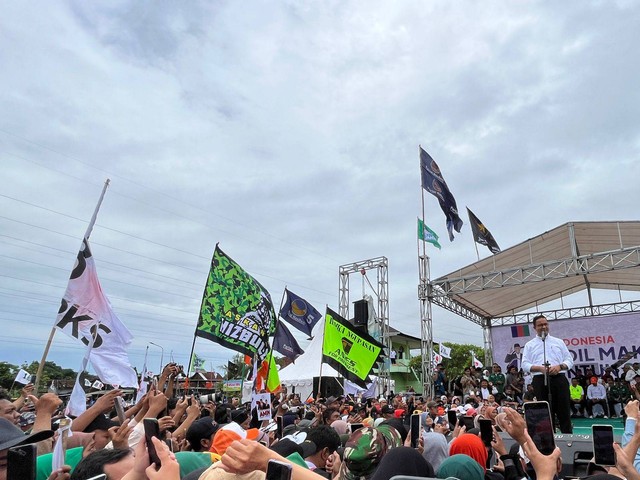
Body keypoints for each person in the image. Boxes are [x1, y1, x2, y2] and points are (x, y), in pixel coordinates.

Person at [522, 314, 574, 433]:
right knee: (544, 412)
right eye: (540, 325)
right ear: (534, 327)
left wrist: (560, 366)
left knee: (564, 411)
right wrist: (539, 368)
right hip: (540, 379)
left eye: (545, 324)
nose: (544, 327)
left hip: (559, 378)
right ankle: (548, 440)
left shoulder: (558, 342)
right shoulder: (530, 345)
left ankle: (567, 439)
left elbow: (569, 360)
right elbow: (524, 365)